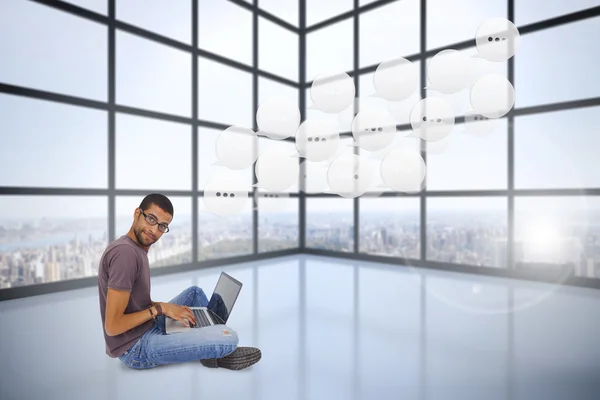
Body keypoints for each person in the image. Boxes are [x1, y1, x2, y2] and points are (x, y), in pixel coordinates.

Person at [97, 193, 261, 370]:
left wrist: (166, 308)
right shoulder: (126, 254)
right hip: (137, 347)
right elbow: (113, 327)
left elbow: (134, 304)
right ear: (137, 213)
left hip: (146, 325)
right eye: (151, 219)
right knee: (230, 338)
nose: (154, 230)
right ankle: (216, 348)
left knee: (194, 293)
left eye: (162, 226)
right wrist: (161, 309)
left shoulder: (134, 248)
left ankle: (208, 338)